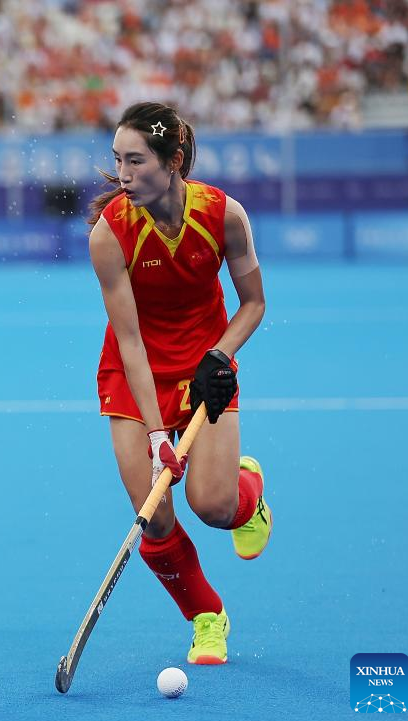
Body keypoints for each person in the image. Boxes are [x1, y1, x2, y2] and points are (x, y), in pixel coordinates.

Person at [88, 101, 268, 665]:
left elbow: (254, 304)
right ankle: (207, 618)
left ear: (175, 160)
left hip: (205, 370)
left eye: (136, 161)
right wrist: (154, 435)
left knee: (212, 507)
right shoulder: (110, 235)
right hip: (133, 370)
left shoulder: (224, 216)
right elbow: (132, 342)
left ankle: (247, 496)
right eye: (117, 160)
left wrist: (220, 354)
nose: (123, 175)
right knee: (155, 512)